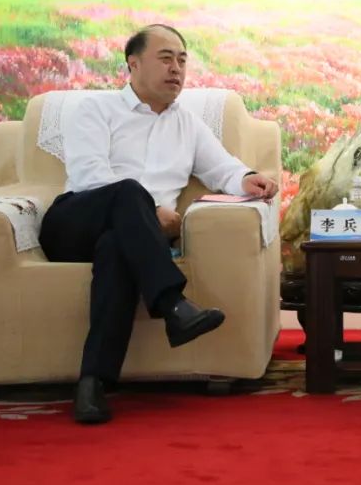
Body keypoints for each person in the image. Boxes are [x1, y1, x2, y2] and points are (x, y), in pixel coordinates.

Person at [39, 24, 279, 424]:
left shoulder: (188, 123)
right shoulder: (96, 109)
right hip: (75, 222)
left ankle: (92, 384)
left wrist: (248, 178)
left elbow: (222, 167)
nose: (176, 69)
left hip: (131, 238)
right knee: (129, 191)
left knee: (116, 248)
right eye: (166, 58)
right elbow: (89, 176)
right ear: (133, 64)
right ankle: (172, 304)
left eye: (182, 60)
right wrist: (150, 212)